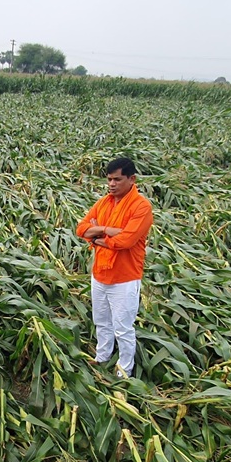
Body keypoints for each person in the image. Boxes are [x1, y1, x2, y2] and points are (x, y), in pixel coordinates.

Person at [75, 157, 154, 379]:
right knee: (101, 321)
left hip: (125, 277)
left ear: (132, 179)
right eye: (109, 179)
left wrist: (97, 235)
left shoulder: (141, 207)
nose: (111, 184)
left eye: (117, 179)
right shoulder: (104, 202)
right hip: (100, 273)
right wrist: (108, 230)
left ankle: (123, 370)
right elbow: (81, 228)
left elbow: (126, 241)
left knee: (123, 328)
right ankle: (102, 357)